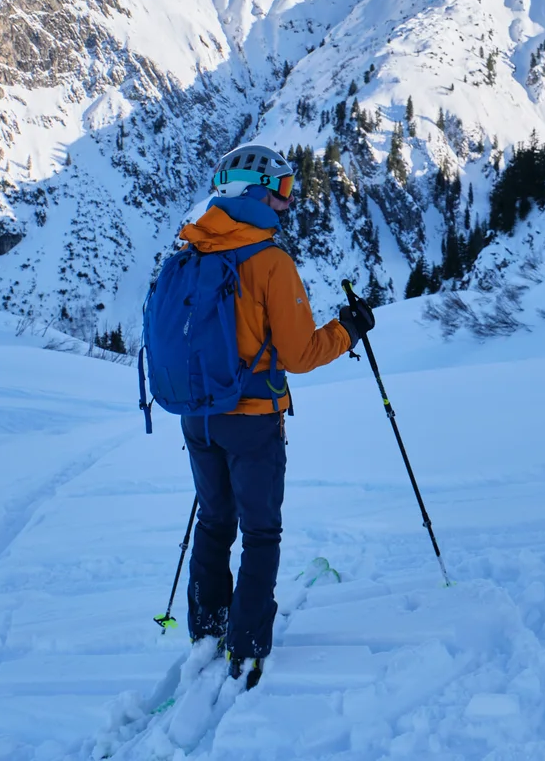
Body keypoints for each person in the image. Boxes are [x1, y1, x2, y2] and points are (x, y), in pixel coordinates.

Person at [175, 143, 375, 687]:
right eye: (281, 191)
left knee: (215, 523)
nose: (287, 203)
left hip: (198, 417)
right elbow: (299, 355)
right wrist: (350, 330)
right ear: (254, 195)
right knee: (261, 531)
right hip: (253, 418)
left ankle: (207, 628)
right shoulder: (270, 262)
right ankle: (247, 645)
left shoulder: (191, 250)